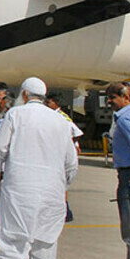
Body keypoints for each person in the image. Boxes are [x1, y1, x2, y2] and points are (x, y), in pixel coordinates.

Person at [0, 78, 79, 259]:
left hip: (19, 186)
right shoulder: (60, 121)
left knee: (12, 236)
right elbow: (71, 162)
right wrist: (63, 185)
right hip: (51, 190)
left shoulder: (15, 115)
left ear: (25, 95)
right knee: (46, 238)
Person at [106, 82, 130, 259]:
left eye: (112, 97)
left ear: (125, 97)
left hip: (129, 177)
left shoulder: (124, 118)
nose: (109, 101)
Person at [44, 92, 83, 222]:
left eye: (48, 102)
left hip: (62, 156)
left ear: (56, 103)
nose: (46, 104)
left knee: (61, 184)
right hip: (55, 154)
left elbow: (76, 133)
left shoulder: (62, 117)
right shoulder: (50, 115)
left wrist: (70, 145)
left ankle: (66, 212)